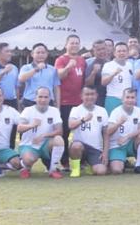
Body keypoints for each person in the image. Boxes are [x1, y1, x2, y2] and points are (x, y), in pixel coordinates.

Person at [16, 86, 65, 179]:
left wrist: (44, 135)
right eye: (40, 97)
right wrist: (31, 125)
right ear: (35, 98)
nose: (43, 100)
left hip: (45, 144)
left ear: (50, 98)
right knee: (29, 160)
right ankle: (25, 167)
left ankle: (53, 170)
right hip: (30, 145)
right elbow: (19, 128)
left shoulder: (54, 111)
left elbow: (59, 131)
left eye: (46, 97)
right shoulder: (28, 110)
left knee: (59, 140)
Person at [54, 34, 86, 169]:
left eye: (76, 43)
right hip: (65, 102)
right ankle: (64, 162)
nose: (74, 45)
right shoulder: (61, 59)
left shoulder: (82, 60)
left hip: (79, 103)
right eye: (72, 43)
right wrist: (68, 67)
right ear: (66, 45)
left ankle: (82, 160)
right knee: (65, 133)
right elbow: (58, 77)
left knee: (82, 132)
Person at [66, 86, 108, 177]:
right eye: (87, 94)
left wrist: (105, 152)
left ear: (96, 95)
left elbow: (105, 133)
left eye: (92, 94)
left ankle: (89, 165)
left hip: (95, 148)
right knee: (76, 146)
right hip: (80, 146)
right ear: (81, 96)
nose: (90, 97)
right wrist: (83, 119)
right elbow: (70, 125)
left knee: (101, 171)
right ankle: (75, 169)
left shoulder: (102, 111)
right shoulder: (76, 110)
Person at [105, 87, 140, 175]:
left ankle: (138, 165)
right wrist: (119, 123)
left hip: (131, 143)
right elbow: (108, 132)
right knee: (117, 170)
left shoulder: (139, 111)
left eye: (132, 97)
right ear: (122, 99)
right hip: (117, 145)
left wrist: (126, 137)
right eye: (127, 97)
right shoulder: (116, 112)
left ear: (136, 99)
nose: (130, 100)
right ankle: (121, 162)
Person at [18, 43, 60, 108]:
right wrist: (36, 69)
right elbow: (21, 79)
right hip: (30, 101)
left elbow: (56, 88)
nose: (40, 55)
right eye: (38, 52)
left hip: (48, 101)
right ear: (32, 54)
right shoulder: (26, 67)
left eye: (43, 53)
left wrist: (58, 106)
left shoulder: (52, 69)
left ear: (47, 54)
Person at [101, 42, 135, 114]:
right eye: (119, 51)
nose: (121, 53)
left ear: (128, 53)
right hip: (113, 99)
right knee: (112, 120)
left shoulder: (130, 65)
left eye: (124, 51)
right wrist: (113, 74)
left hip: (128, 100)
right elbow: (103, 82)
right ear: (114, 53)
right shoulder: (108, 65)